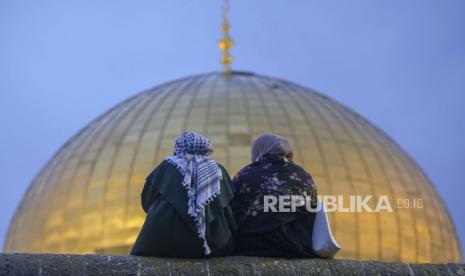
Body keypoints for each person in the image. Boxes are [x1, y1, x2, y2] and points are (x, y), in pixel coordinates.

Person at [130, 131, 236, 258]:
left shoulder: (167, 167)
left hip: (163, 241)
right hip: (213, 243)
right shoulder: (219, 171)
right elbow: (231, 208)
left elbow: (147, 201)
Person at [231, 134, 318, 258]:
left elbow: (233, 212)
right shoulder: (303, 176)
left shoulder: (246, 175)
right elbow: (312, 212)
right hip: (297, 247)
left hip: (253, 247)